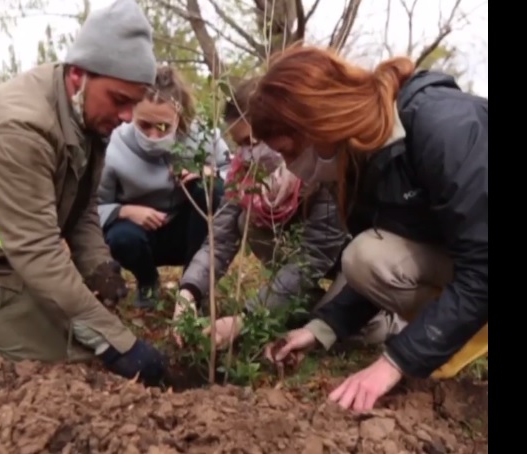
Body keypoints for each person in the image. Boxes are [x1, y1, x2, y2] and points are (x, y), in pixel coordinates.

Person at [247, 45, 488, 412]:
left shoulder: (442, 126)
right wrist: (320, 330)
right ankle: (455, 335)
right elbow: (382, 265)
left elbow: (483, 265)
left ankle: (462, 336)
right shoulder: (361, 162)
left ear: (319, 122)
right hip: (469, 260)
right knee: (365, 257)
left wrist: (395, 362)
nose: (289, 166)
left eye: (287, 150)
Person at [0, 0, 167, 386]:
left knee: (85, 341)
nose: (128, 117)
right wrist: (119, 344)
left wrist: (99, 266)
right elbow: (37, 250)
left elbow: (81, 210)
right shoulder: (21, 130)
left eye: (135, 102)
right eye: (120, 100)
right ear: (78, 74)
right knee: (72, 366)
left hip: (16, 260)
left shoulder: (84, 116)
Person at [173, 78, 405, 349]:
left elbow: (315, 255)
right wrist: (188, 292)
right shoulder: (243, 175)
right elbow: (220, 238)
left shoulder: (320, 169)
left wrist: (246, 317)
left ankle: (384, 319)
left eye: (254, 141)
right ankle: (302, 301)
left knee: (341, 334)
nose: (247, 153)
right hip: (303, 260)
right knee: (243, 220)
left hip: (351, 260)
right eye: (240, 144)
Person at [98, 66, 229, 308]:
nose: (153, 136)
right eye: (144, 125)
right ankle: (147, 282)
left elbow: (236, 175)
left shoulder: (202, 136)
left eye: (162, 127)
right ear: (131, 113)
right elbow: (94, 208)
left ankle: (193, 288)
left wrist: (211, 173)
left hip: (189, 232)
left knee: (212, 188)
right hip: (140, 237)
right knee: (121, 237)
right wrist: (124, 211)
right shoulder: (112, 145)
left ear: (179, 115)